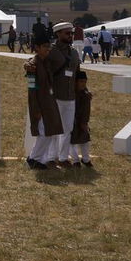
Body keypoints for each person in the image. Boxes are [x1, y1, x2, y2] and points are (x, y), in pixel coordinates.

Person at [24, 33, 62, 170]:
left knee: (49, 133)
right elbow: (32, 89)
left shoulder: (47, 62)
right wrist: (36, 109)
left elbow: (60, 60)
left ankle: (35, 159)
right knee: (45, 134)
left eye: (49, 46)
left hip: (49, 103)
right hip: (40, 104)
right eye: (45, 46)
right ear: (37, 48)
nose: (48, 49)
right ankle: (33, 159)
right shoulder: (32, 66)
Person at [47, 22, 79, 168]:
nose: (70, 36)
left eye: (71, 33)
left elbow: (77, 74)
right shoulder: (51, 51)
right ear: (58, 34)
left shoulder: (74, 52)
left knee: (67, 129)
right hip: (56, 96)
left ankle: (63, 158)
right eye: (67, 33)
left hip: (70, 96)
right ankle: (51, 157)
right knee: (54, 129)